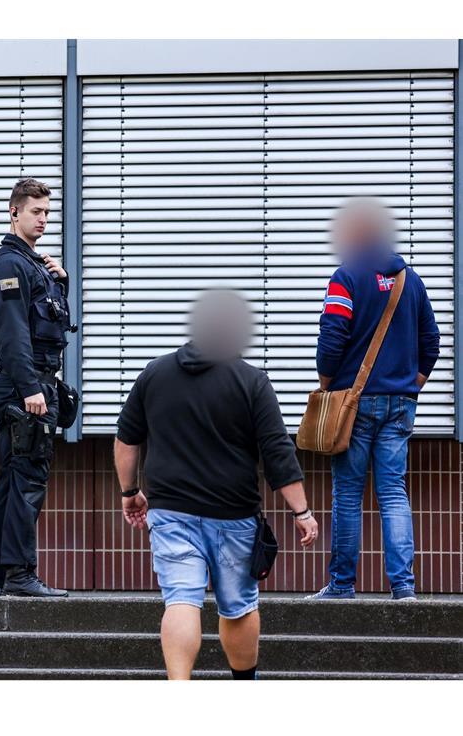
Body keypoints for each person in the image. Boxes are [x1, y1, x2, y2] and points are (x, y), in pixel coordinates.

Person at [115, 290, 319, 680]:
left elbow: (127, 440)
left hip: (170, 511)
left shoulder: (154, 374)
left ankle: (179, 688)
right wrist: (302, 512)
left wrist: (130, 492)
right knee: (238, 605)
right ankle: (243, 688)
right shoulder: (252, 382)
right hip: (234, 515)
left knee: (181, 599)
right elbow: (278, 452)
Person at [309, 198, 440, 601]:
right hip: (400, 403)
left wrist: (327, 383)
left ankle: (343, 586)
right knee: (393, 492)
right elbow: (431, 342)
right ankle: (404, 588)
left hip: (355, 401)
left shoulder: (345, 278)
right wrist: (410, 385)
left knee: (348, 493)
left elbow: (332, 339)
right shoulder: (409, 280)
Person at [0, 178, 75, 597]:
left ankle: (6, 576)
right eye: (35, 211)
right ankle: (19, 574)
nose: (42, 219)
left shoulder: (36, 264)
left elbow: (53, 324)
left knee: (17, 479)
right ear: (14, 211)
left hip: (38, 381)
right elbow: (12, 334)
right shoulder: (9, 265)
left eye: (46, 212)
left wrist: (62, 283)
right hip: (26, 385)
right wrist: (29, 389)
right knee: (27, 482)